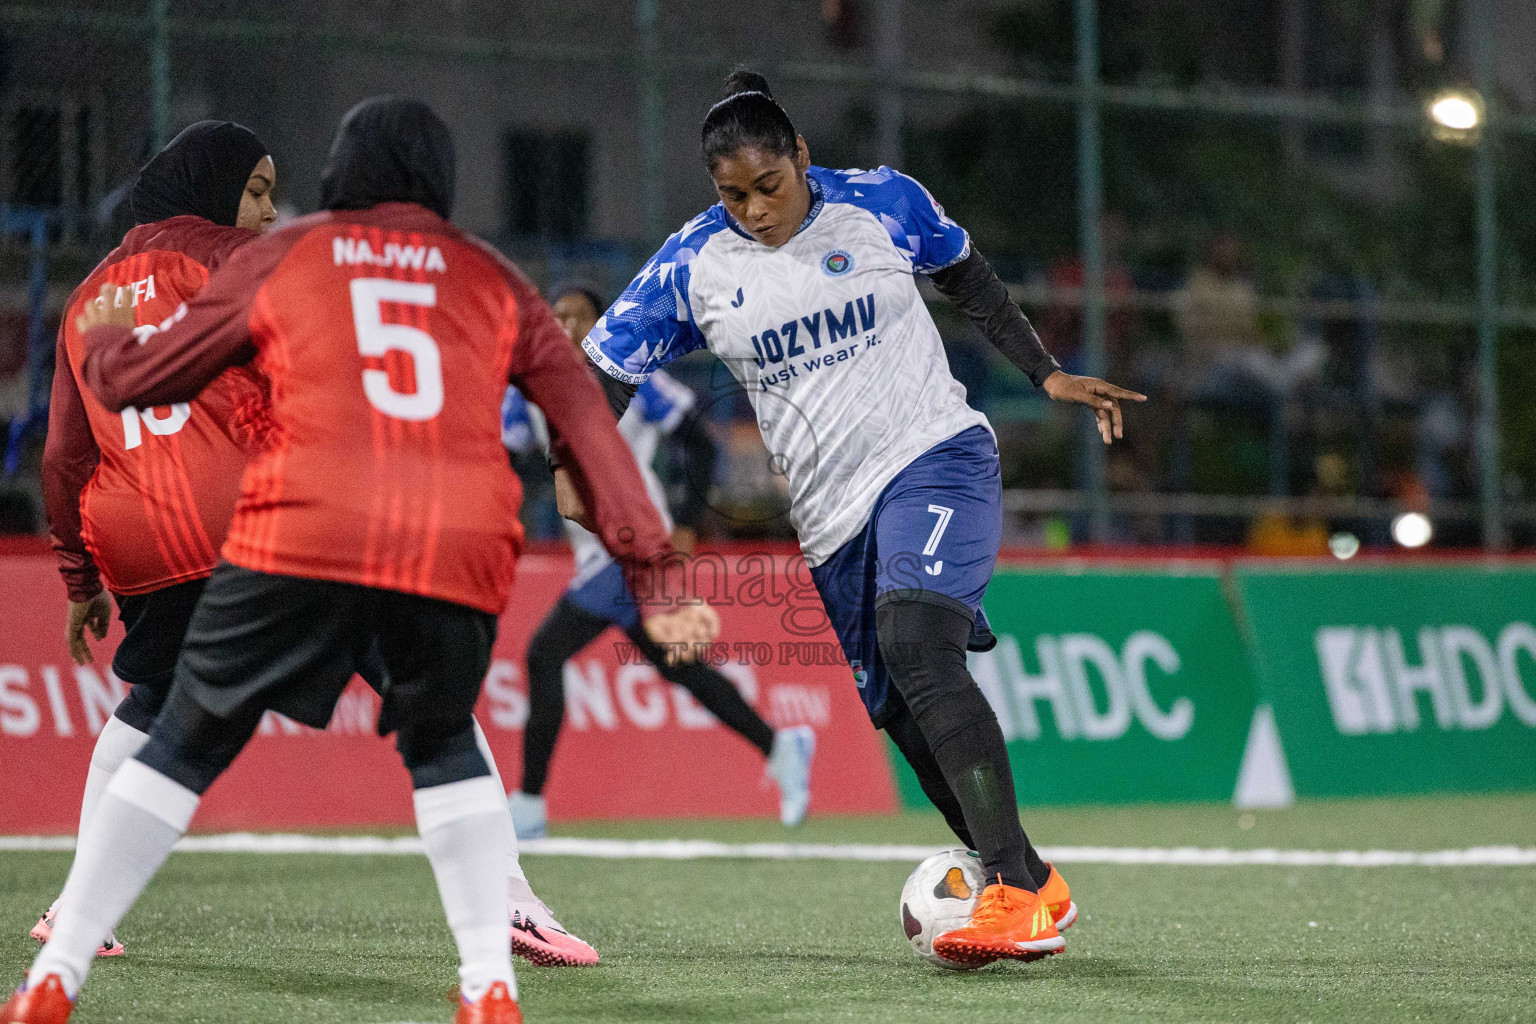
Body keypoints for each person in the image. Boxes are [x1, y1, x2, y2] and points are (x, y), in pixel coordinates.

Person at [3, 96, 717, 1024]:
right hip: (447, 536)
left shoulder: (286, 256)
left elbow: (145, 379)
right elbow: (585, 415)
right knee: (444, 733)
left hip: (295, 525)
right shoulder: (489, 274)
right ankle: (491, 979)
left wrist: (109, 373)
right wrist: (654, 574)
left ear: (343, 174)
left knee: (175, 729)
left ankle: (58, 968)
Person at [560, 70, 1144, 967]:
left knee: (919, 644)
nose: (753, 210)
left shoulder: (881, 202)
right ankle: (1033, 877)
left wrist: (1046, 374)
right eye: (732, 195)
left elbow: (966, 274)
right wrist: (577, 458)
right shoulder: (691, 265)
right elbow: (600, 374)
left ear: (801, 156)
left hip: (935, 455)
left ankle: (1014, 898)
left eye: (768, 186)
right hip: (830, 523)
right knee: (905, 714)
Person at [504, 279, 815, 839]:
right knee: (683, 669)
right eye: (558, 317)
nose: (568, 328)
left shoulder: (627, 374)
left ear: (604, 327)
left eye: (581, 318)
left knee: (544, 655)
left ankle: (528, 804)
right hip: (599, 552)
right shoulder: (531, 391)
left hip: (633, 548)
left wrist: (691, 521)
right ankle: (781, 745)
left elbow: (699, 440)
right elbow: (499, 451)